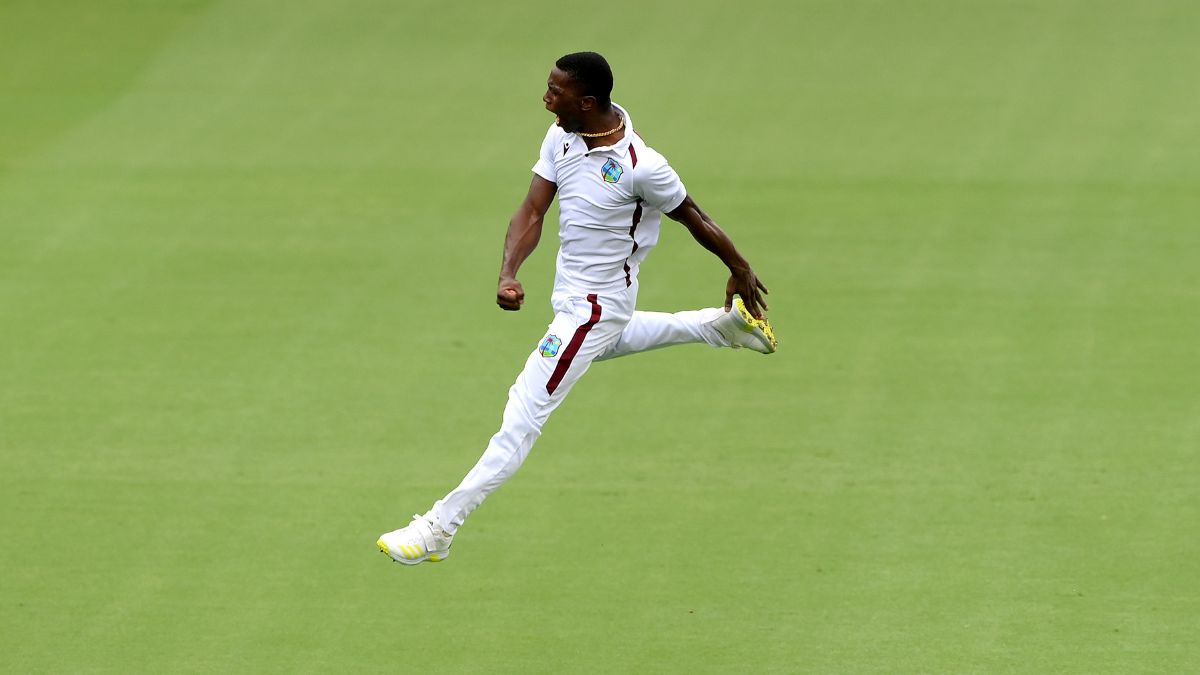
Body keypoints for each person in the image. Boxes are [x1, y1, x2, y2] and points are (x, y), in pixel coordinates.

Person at [377, 51, 776, 566]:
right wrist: (508, 272)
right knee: (605, 341)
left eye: (554, 92)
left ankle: (439, 528)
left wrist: (740, 268)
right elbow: (533, 209)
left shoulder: (641, 167)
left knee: (522, 413)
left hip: (593, 309)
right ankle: (720, 328)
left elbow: (694, 217)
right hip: (576, 305)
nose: (545, 99)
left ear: (587, 102)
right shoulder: (562, 136)